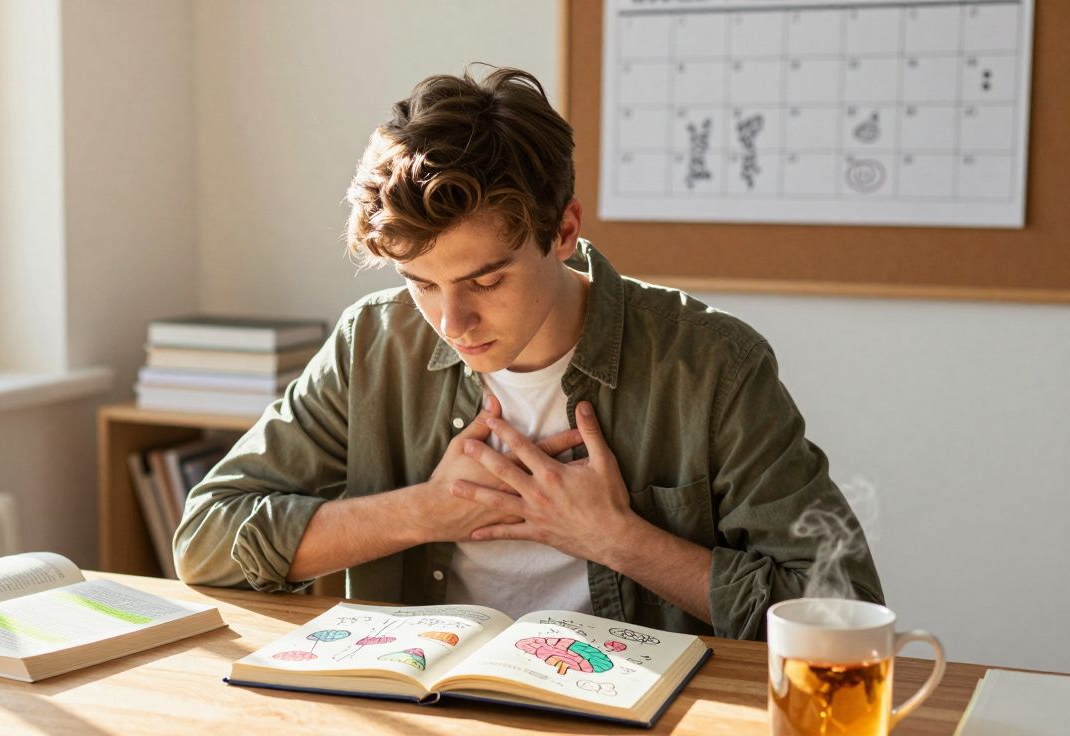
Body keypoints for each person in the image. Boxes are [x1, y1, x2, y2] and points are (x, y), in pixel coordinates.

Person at [173, 66, 882, 640]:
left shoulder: (710, 363)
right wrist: (424, 511)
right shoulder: (373, 344)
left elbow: (839, 608)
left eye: (486, 279)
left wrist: (618, 538)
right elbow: (205, 539)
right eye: (422, 283)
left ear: (563, 228)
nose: (453, 320)